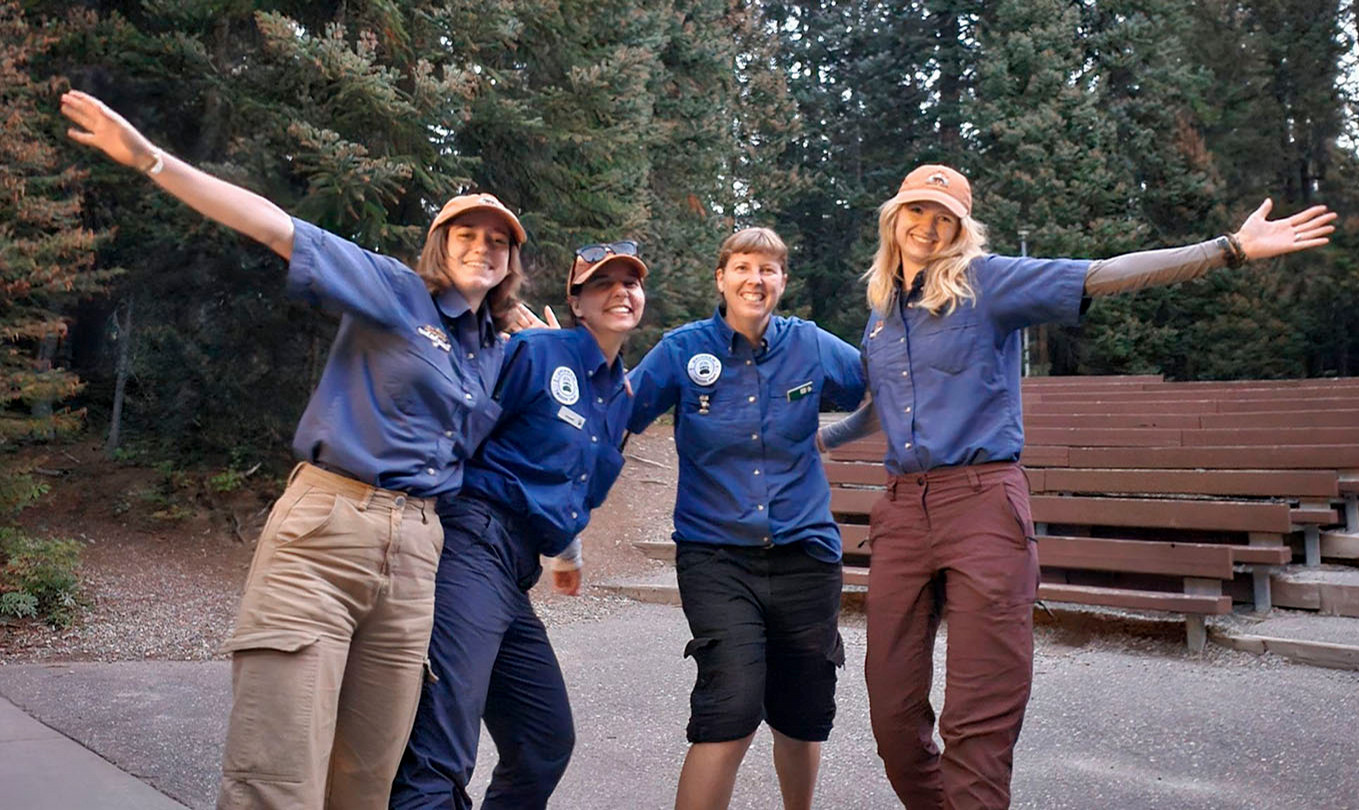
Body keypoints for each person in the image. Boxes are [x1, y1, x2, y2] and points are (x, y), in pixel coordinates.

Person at [58, 90, 559, 808]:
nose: (482, 247)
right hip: (327, 533)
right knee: (277, 772)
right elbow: (275, 228)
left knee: (366, 780)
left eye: (498, 241)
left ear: (512, 259)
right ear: (440, 246)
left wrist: (556, 356)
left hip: (419, 558)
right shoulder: (394, 292)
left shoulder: (496, 350)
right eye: (465, 235)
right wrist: (150, 159)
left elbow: (569, 426)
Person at [818, 164, 1337, 810]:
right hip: (901, 513)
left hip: (982, 506)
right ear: (893, 219)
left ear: (959, 229)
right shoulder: (881, 314)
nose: (927, 226)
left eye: (943, 217)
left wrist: (1227, 250)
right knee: (893, 718)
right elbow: (879, 406)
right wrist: (820, 440)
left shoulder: (989, 283)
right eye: (916, 212)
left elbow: (1104, 274)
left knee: (977, 722)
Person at [390, 242, 647, 809]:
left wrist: (568, 554)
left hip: (516, 571)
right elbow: (460, 430)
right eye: (603, 284)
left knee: (543, 741)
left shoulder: (620, 398)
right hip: (470, 544)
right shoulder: (533, 352)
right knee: (440, 747)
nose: (621, 292)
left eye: (631, 283)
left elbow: (573, 482)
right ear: (577, 303)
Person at [626, 228, 866, 810]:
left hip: (806, 557)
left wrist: (836, 434)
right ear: (721, 277)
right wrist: (569, 359)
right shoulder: (685, 350)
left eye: (768, 269)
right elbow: (620, 410)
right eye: (742, 267)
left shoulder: (809, 345)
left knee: (802, 714)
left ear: (783, 281)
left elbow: (883, 384)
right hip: (716, 557)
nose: (754, 280)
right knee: (728, 708)